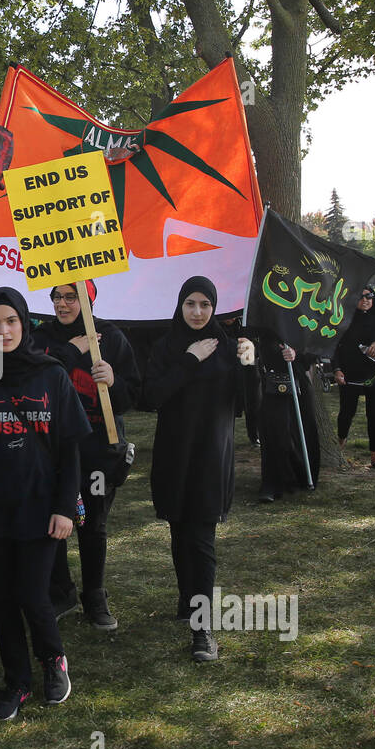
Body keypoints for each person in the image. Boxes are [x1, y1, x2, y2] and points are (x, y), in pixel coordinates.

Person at [0, 287, 90, 719]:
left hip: (41, 506)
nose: (3, 330)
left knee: (33, 593)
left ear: (25, 323)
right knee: (4, 599)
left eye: (11, 321)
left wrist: (65, 507)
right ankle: (16, 681)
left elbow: (70, 450)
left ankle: (53, 660)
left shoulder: (51, 375)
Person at [141, 276, 257, 662]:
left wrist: (249, 362)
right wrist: (191, 360)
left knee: (201, 537)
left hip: (211, 454)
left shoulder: (228, 349)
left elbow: (245, 403)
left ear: (215, 307)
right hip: (175, 453)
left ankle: (202, 628)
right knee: (179, 529)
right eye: (190, 303)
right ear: (180, 305)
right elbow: (152, 395)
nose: (197, 312)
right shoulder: (166, 346)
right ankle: (187, 599)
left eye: (205, 305)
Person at [34, 280, 141, 630]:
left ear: (88, 301)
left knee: (92, 524)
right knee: (55, 520)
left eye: (71, 297)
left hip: (97, 449)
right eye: (57, 297)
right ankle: (61, 590)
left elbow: (133, 397)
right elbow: (35, 383)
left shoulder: (110, 338)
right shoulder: (42, 337)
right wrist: (69, 353)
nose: (62, 304)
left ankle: (95, 595)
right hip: (53, 451)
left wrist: (114, 380)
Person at [333, 287, 375, 469]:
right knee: (346, 413)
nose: (365, 300)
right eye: (360, 297)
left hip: (374, 375)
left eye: (369, 296)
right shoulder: (344, 317)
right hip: (349, 374)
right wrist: (336, 370)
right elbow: (335, 346)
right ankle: (339, 447)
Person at [252, 328, 320, 501]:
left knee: (303, 430)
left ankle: (304, 476)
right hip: (273, 386)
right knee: (275, 432)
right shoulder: (264, 325)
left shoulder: (303, 318)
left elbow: (316, 349)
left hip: (299, 385)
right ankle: (273, 483)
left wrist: (296, 353)